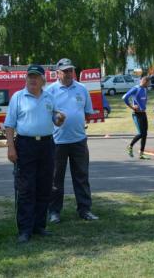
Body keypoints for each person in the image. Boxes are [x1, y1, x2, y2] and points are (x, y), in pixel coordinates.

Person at [4, 64, 65, 243]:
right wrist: (10, 147)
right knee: (25, 188)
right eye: (29, 76)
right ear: (26, 79)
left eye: (36, 77)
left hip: (47, 145)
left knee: (44, 186)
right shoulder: (17, 97)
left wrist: (60, 119)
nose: (32, 79)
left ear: (42, 80)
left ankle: (39, 226)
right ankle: (25, 229)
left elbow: (55, 119)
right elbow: (9, 125)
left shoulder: (49, 97)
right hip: (25, 145)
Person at [46, 58, 99, 224]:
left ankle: (85, 210)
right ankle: (54, 212)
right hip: (57, 142)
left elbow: (88, 112)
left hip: (79, 140)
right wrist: (57, 119)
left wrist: (77, 122)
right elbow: (46, 115)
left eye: (71, 70)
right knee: (55, 179)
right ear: (58, 73)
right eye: (65, 71)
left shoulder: (82, 89)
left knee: (81, 177)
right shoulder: (50, 91)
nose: (69, 74)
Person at [123, 76, 150, 159]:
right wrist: (132, 106)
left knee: (145, 134)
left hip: (143, 113)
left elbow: (143, 100)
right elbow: (125, 97)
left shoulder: (145, 89)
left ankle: (141, 154)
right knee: (141, 133)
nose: (149, 84)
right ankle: (130, 146)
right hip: (137, 114)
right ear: (145, 81)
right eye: (148, 83)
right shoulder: (136, 88)